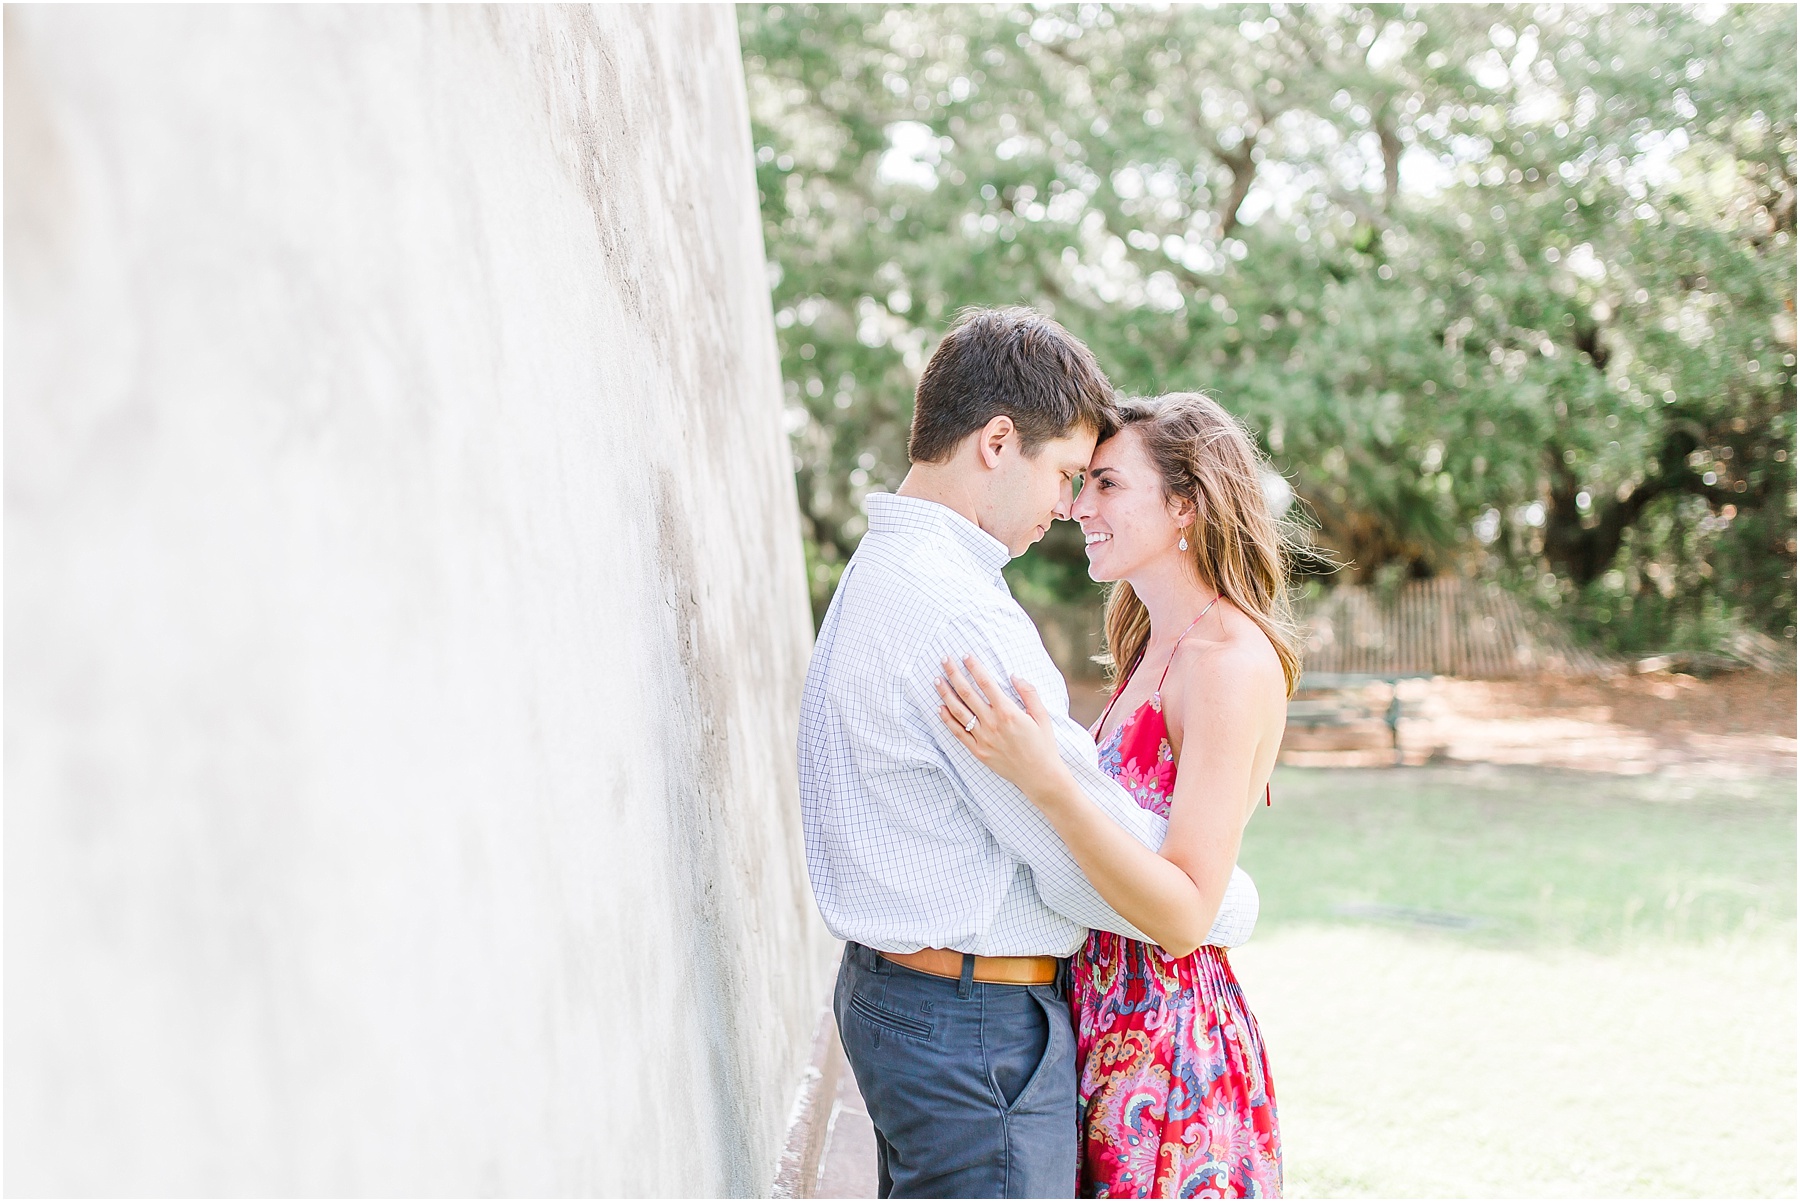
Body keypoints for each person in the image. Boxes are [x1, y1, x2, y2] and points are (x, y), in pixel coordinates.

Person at [798, 311, 1261, 1199]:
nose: (1067, 504)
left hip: (914, 1007)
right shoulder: (958, 614)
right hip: (972, 1034)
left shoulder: (889, 567)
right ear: (998, 442)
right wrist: (1226, 901)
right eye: (1061, 475)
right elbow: (1070, 869)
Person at [936, 392, 1297, 1198]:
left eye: (1105, 485)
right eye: (1081, 483)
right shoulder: (1149, 642)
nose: (1076, 506)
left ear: (1184, 506)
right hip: (1097, 1022)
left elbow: (1182, 915)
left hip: (1169, 1053)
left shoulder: (1228, 664)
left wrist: (1046, 781)